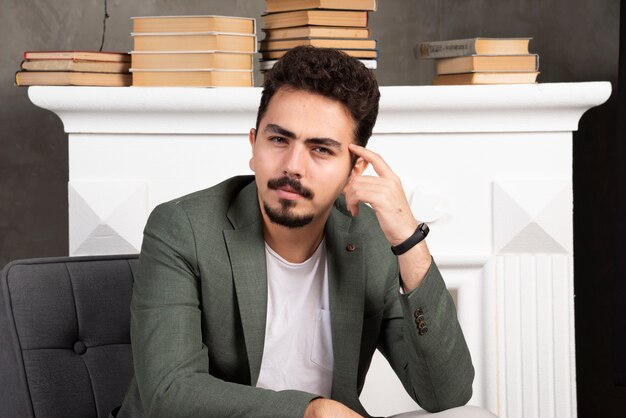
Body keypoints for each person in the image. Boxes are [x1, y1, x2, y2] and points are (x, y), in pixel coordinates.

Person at [113, 46, 475, 418]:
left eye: (320, 149)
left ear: (354, 170)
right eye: (279, 140)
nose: (293, 166)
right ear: (253, 144)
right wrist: (310, 411)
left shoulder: (371, 238)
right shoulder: (182, 228)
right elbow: (169, 391)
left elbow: (446, 394)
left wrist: (409, 241)